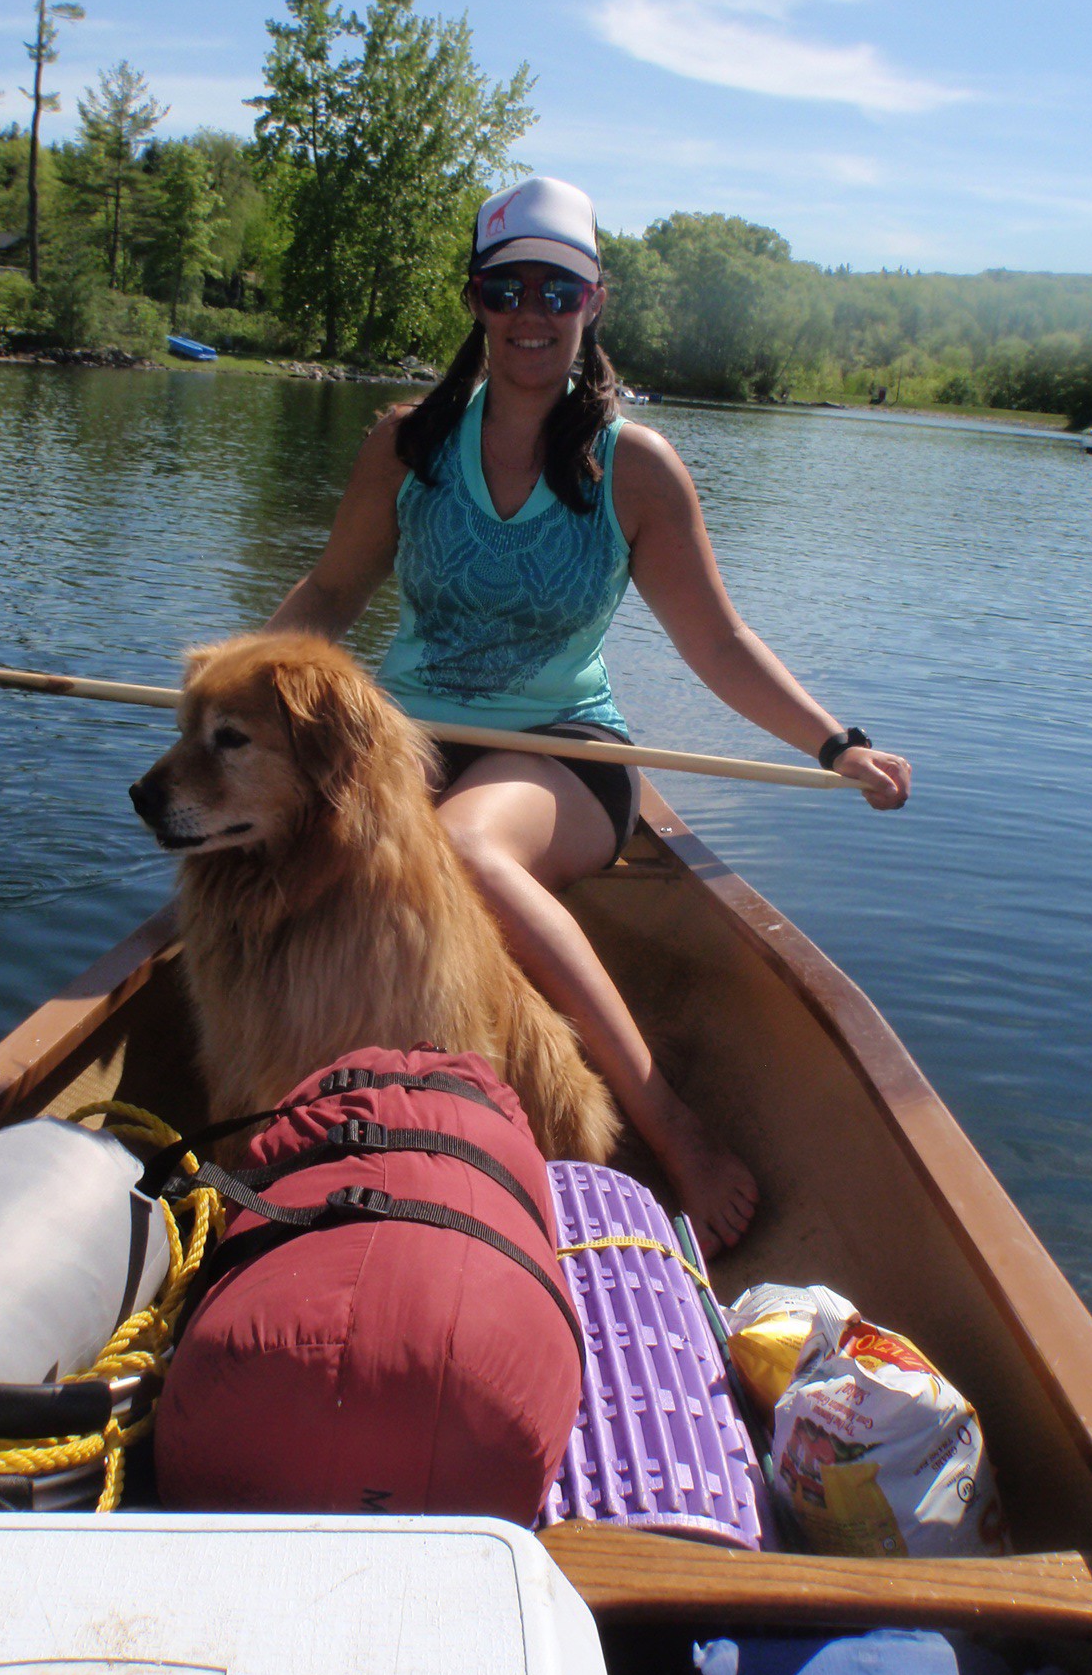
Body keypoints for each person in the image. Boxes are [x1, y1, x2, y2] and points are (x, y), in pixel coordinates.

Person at [265, 176, 911, 1256]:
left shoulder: (635, 466)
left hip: (564, 749)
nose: (532, 313)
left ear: (594, 299)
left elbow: (717, 642)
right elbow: (330, 596)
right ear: (475, 300)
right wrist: (234, 702)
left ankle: (667, 1120)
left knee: (465, 851)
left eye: (555, 290)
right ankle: (322, 1106)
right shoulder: (407, 445)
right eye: (507, 287)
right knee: (290, 854)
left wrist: (836, 742)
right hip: (409, 737)